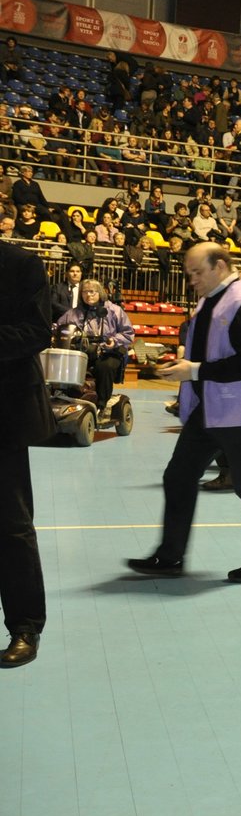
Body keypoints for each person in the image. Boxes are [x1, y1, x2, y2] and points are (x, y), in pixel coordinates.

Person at [128, 244, 241, 583]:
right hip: (212, 408)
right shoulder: (212, 299)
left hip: (240, 412)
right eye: (189, 273)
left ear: (221, 266)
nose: (192, 279)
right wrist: (183, 368)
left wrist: (193, 371)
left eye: (197, 272)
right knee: (179, 476)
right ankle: (170, 556)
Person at [0, 235, 51, 667]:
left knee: (12, 525)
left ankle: (25, 626)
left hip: (4, 410)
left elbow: (36, 331)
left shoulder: (21, 264)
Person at [53, 278, 134, 419]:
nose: (88, 295)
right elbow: (59, 327)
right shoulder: (74, 313)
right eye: (85, 292)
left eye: (92, 291)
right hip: (83, 352)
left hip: (109, 352)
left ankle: (102, 405)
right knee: (65, 362)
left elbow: (128, 333)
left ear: (100, 293)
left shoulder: (114, 310)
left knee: (105, 367)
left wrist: (114, 341)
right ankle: (66, 398)